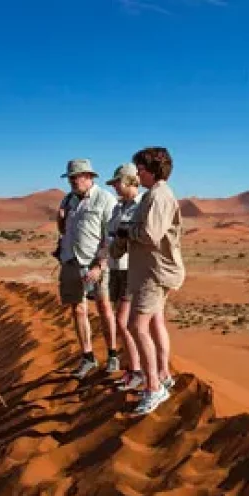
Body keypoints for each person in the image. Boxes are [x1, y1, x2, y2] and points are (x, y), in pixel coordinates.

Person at [114, 147, 185, 415]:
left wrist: (125, 229)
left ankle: (154, 387)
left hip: (155, 273)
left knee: (137, 325)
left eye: (141, 170)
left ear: (152, 170)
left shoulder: (158, 196)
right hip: (148, 271)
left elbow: (150, 234)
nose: (138, 174)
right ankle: (162, 375)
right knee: (153, 322)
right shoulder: (153, 196)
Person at [56, 158, 120, 378]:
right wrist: (60, 219)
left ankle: (113, 355)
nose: (73, 181)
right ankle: (87, 357)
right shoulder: (68, 200)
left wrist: (100, 265)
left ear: (89, 177)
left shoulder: (105, 199)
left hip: (95, 262)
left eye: (77, 177)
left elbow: (110, 237)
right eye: (71, 178)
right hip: (71, 261)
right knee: (78, 309)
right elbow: (64, 231)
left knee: (103, 307)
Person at [102, 163, 144, 390]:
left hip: (131, 269)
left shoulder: (141, 207)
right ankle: (131, 369)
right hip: (115, 267)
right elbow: (110, 235)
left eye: (118, 182)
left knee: (124, 322)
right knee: (123, 323)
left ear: (129, 181)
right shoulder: (119, 208)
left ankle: (138, 370)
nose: (115, 187)